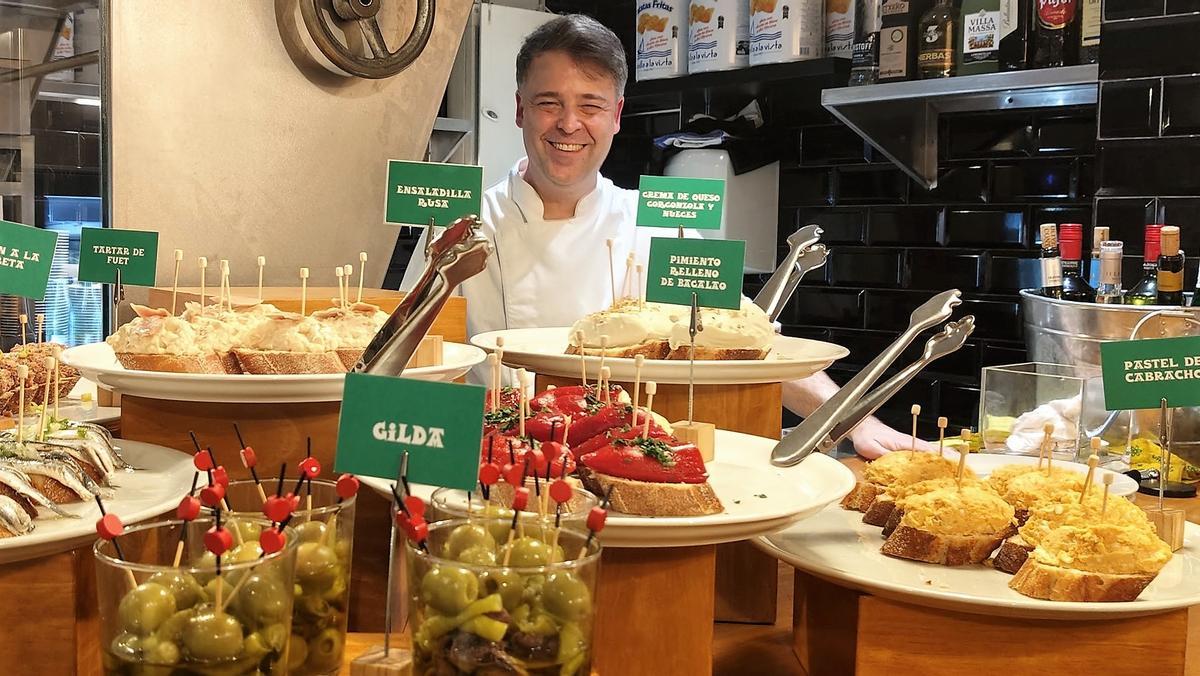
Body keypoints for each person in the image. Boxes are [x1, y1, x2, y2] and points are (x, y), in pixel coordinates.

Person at [402, 14, 930, 458]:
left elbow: (743, 342)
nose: (568, 124)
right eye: (548, 102)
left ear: (616, 116)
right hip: (496, 462)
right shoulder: (461, 226)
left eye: (590, 105)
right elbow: (406, 363)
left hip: (631, 460)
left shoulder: (655, 224)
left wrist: (856, 421)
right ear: (519, 109)